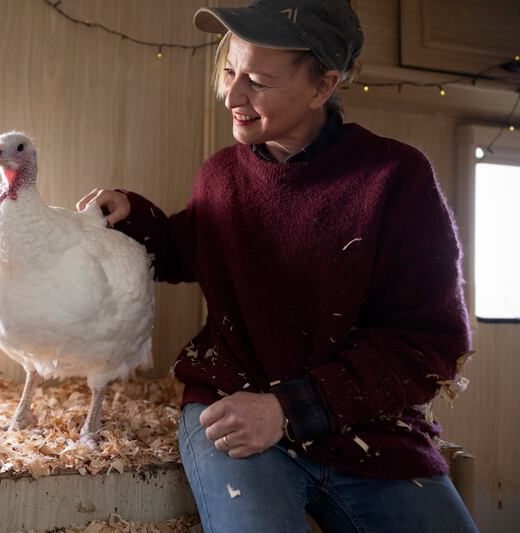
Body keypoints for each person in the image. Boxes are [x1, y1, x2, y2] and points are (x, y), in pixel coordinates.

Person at [77, 0, 478, 531]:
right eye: (229, 70)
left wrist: (290, 409)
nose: (232, 95)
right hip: (233, 408)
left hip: (369, 431)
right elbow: (193, 248)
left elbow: (430, 346)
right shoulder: (222, 173)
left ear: (322, 86)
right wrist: (136, 218)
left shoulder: (396, 177)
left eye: (259, 82)